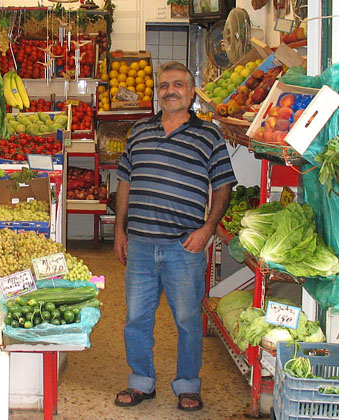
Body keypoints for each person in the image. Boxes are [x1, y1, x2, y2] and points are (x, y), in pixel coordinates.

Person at [112, 61, 236, 411]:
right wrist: (119, 229)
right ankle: (141, 382)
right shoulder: (138, 132)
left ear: (192, 92)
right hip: (140, 243)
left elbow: (223, 185)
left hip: (185, 245)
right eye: (164, 85)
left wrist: (208, 228)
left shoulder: (209, 135)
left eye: (178, 84)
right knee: (136, 317)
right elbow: (125, 182)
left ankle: (188, 385)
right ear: (158, 92)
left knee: (187, 319)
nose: (170, 90)